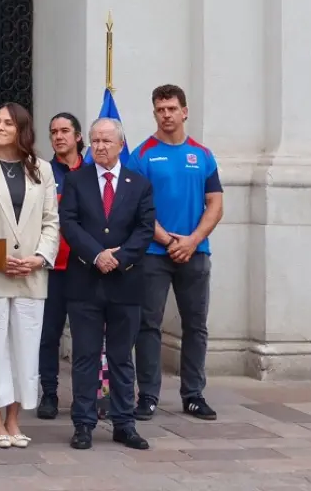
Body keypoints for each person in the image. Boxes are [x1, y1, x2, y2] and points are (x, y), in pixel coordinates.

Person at [0, 102, 59, 449]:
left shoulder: (42, 170)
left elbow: (51, 221)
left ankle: (14, 418)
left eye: (7, 123)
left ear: (22, 129)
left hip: (30, 275)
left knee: (24, 349)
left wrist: (39, 257)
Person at [128, 84, 224, 421]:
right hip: (154, 254)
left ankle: (194, 394)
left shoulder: (203, 154)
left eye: (171, 108)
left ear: (185, 111)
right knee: (148, 325)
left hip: (195, 253)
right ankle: (149, 396)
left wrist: (192, 240)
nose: (166, 115)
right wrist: (170, 241)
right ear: (154, 113)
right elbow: (139, 209)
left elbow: (215, 204)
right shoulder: (141, 156)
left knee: (195, 326)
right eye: (160, 109)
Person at [59, 117, 155, 451]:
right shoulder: (76, 181)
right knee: (85, 356)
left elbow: (145, 229)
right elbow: (68, 223)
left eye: (107, 141)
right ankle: (83, 423)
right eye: (95, 141)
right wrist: (96, 254)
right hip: (85, 281)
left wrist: (121, 257)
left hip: (125, 282)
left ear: (120, 145)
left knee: (121, 357)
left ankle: (124, 423)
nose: (100, 147)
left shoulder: (139, 183)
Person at [37, 112, 85, 419]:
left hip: (83, 267)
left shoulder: (93, 171)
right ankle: (50, 394)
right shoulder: (41, 172)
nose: (58, 136)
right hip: (52, 267)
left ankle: (85, 395)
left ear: (78, 136)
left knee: (85, 336)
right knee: (48, 335)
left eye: (65, 130)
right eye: (53, 131)